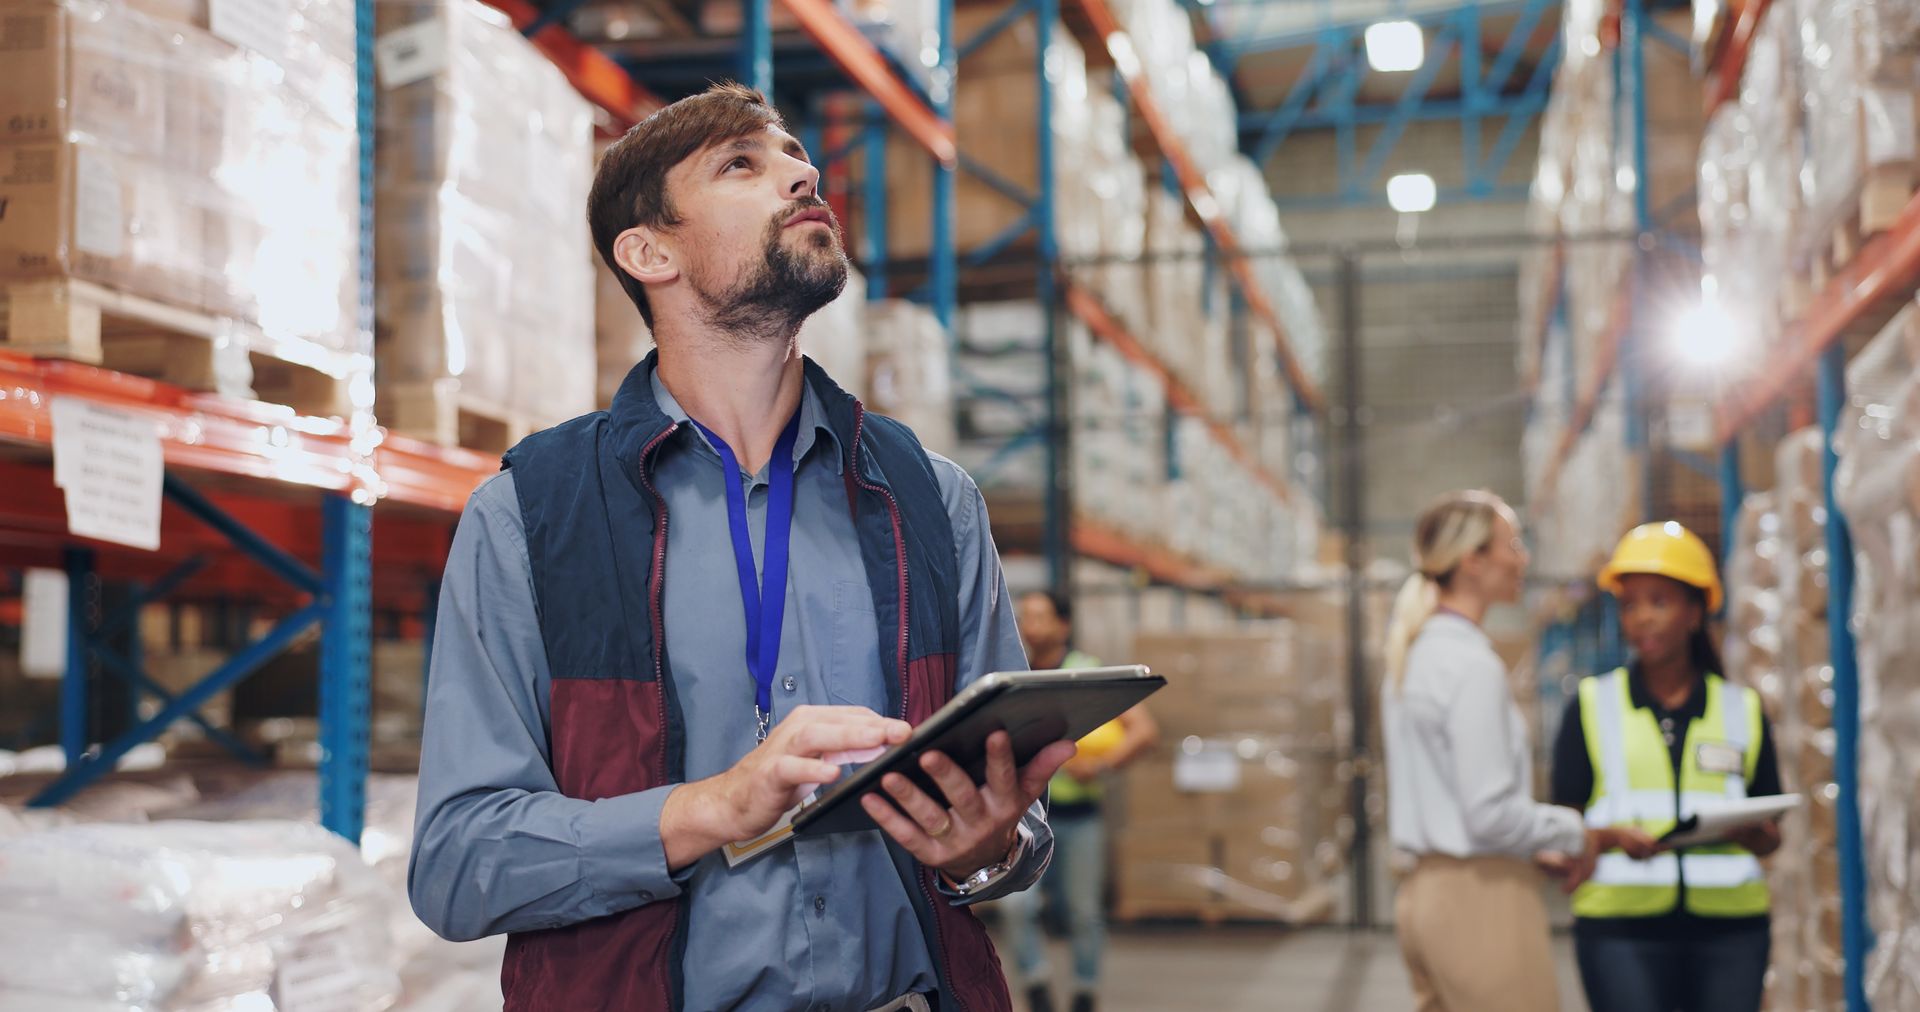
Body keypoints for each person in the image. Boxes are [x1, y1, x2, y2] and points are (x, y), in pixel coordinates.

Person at [406, 83, 1076, 1012]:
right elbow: (459, 863)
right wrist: (711, 808)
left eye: (798, 156)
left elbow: (1014, 831)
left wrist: (991, 850)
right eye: (742, 165)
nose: (804, 173)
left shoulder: (931, 502)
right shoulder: (531, 516)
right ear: (650, 252)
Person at [1381, 490, 1657, 1012]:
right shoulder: (1470, 666)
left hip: (1423, 898)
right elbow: (1488, 813)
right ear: (1473, 561)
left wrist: (1530, 847)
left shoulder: (1417, 653)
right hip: (1479, 902)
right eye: (1513, 543)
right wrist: (1586, 834)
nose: (1523, 558)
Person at [1547, 522, 1784, 1012]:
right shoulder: (1592, 704)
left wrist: (1752, 834)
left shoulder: (1742, 709)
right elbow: (1563, 822)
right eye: (1630, 605)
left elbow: (1771, 831)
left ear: (1695, 612)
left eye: (1659, 601)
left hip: (1730, 930)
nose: (1642, 619)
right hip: (1620, 929)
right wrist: (1613, 837)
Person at [997, 591, 1157, 1012]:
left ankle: (1085, 993)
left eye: (1040, 616)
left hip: (1080, 817)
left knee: (1084, 913)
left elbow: (1144, 730)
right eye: (1025, 616)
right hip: (1024, 820)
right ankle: (1036, 985)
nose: (1030, 625)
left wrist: (1102, 765)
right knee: (1017, 907)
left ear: (1062, 625)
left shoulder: (1085, 673)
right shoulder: (1012, 673)